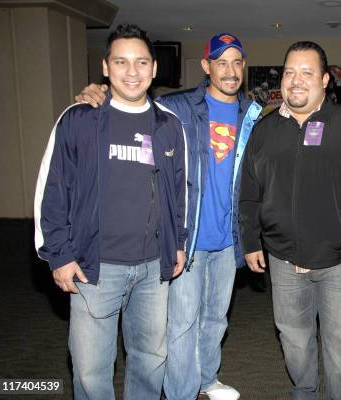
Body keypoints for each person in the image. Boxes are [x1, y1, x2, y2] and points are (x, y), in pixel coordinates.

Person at [74, 32, 262, 400]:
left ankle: (207, 379)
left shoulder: (252, 114)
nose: (229, 70)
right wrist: (96, 92)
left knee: (215, 319)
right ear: (206, 66)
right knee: (181, 324)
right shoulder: (177, 107)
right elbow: (131, 100)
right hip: (186, 237)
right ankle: (181, 392)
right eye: (220, 62)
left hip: (228, 239)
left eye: (237, 62)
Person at [34, 24, 187, 399]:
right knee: (89, 370)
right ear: (105, 67)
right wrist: (59, 255)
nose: (131, 72)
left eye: (141, 62)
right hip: (93, 267)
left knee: (151, 360)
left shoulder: (169, 126)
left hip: (154, 268)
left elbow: (179, 192)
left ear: (154, 70)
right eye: (121, 62)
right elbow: (51, 192)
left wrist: (178, 242)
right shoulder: (79, 120)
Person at [239, 41, 341, 400]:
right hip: (283, 258)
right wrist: (250, 240)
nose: (296, 80)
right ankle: (304, 393)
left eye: (307, 72)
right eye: (290, 72)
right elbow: (248, 190)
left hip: (339, 258)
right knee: (293, 339)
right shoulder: (265, 130)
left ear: (324, 80)